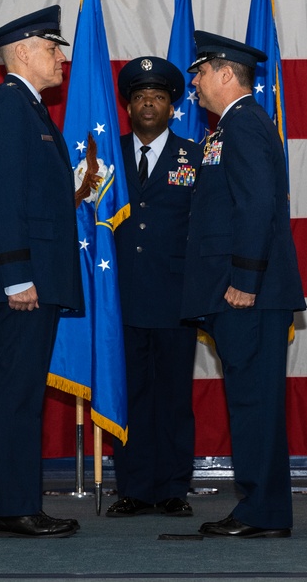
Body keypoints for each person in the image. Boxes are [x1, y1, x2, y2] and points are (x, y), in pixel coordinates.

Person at [180, 31, 306, 539]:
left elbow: (256, 205)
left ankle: (262, 511)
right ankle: (261, 507)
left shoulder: (246, 125)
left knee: (255, 402)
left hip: (247, 292)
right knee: (249, 401)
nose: (193, 81)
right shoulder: (228, 129)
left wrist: (246, 280)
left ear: (226, 74)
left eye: (201, 71)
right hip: (235, 288)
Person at [0, 5, 83, 538]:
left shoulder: (28, 109)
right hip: (25, 280)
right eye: (53, 48)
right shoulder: (10, 107)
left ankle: (17, 503)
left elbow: (32, 193)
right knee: (17, 392)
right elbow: (3, 197)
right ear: (23, 52)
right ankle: (12, 509)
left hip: (37, 275)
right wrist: (16, 275)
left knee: (23, 390)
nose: (61, 57)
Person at [106, 56, 200, 519]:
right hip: (119, 299)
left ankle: (172, 488)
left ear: (172, 106)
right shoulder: (105, 157)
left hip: (176, 299)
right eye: (140, 96)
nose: (149, 103)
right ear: (127, 106)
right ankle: (134, 488)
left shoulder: (196, 157)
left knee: (173, 398)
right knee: (129, 396)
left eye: (158, 97)